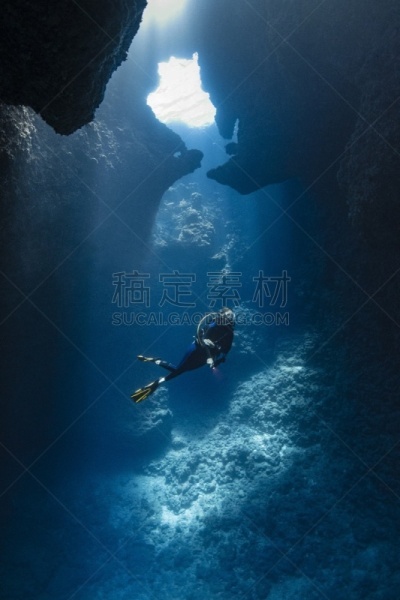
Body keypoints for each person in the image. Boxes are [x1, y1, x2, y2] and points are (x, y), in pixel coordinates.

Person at [131, 307, 235, 403]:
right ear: (221, 315)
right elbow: (201, 336)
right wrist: (208, 345)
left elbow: (225, 353)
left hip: (205, 358)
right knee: (179, 370)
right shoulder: (213, 324)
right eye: (227, 316)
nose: (228, 319)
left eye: (230, 317)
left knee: (180, 370)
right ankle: (158, 381)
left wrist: (216, 360)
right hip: (196, 350)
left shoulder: (229, 334)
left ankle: (156, 362)